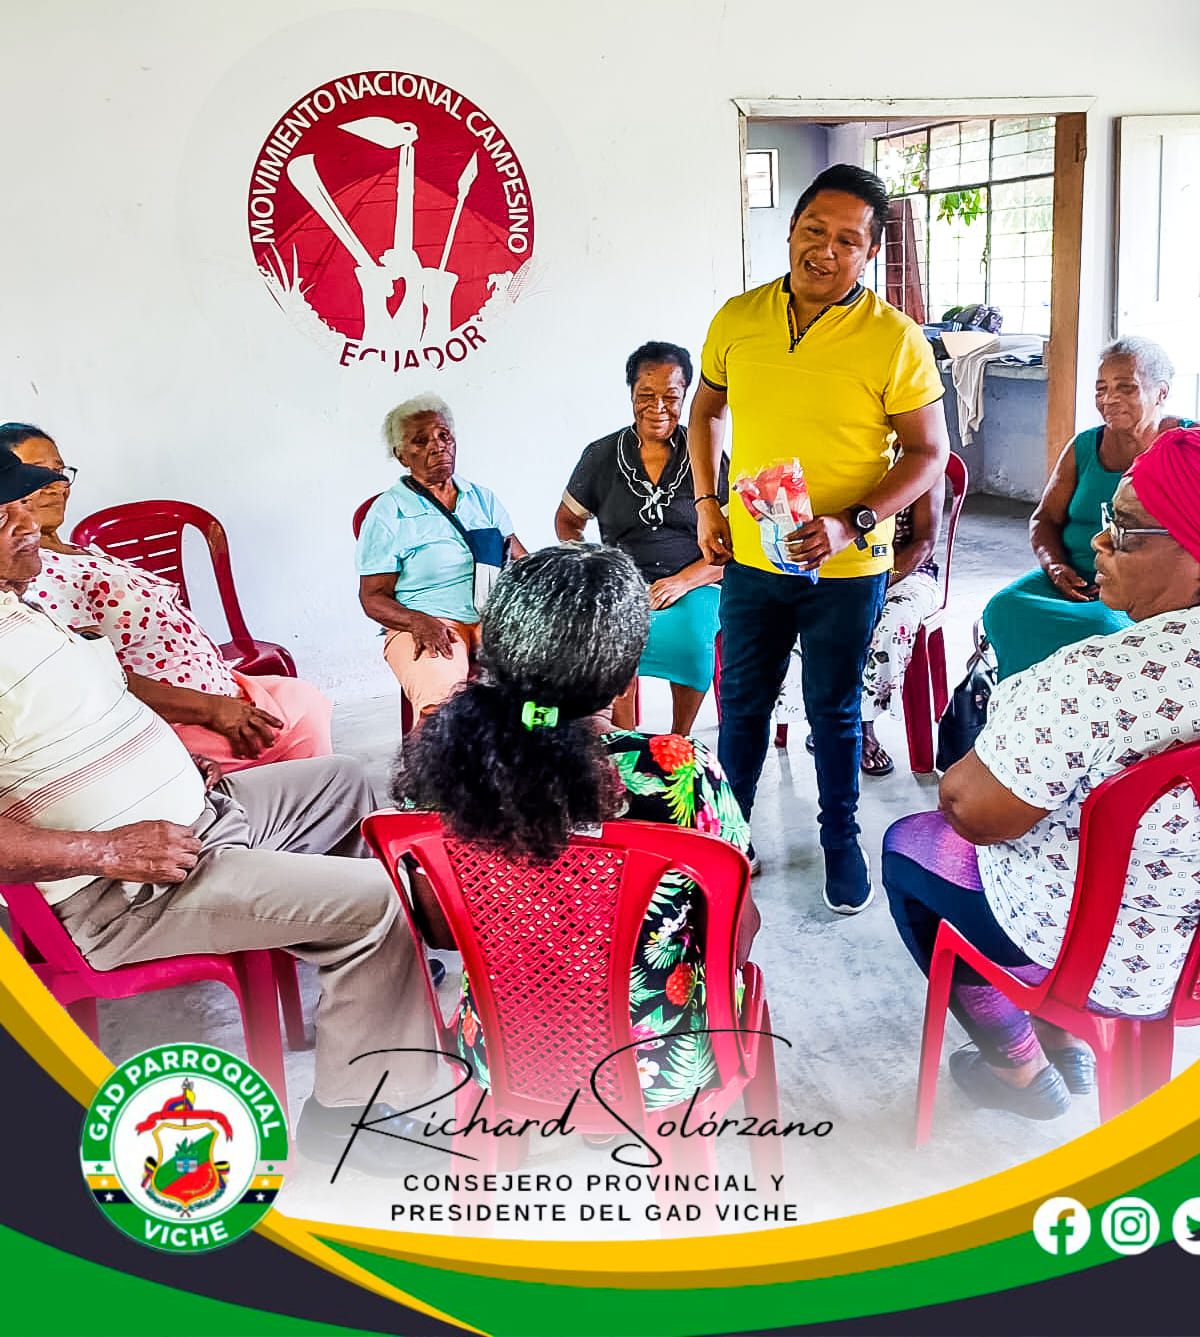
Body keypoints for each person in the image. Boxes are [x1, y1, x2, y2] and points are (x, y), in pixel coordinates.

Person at [0, 446, 438, 1176]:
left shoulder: (21, 606)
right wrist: (106, 850)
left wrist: (172, 766)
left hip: (200, 815)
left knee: (342, 783)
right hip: (129, 889)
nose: (25, 521)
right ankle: (352, 1116)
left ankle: (360, 991)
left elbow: (93, 708)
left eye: (20, 503)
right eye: (1, 515)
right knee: (377, 904)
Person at [882, 427, 1200, 1119]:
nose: (1101, 540)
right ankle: (1061, 1040)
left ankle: (1019, 1067)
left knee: (910, 845)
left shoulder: (1097, 679)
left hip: (1114, 959)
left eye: (1126, 529)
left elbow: (970, 810)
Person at [395, 543, 760, 1108]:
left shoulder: (443, 768)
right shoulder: (680, 771)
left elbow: (440, 934)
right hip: (658, 1067)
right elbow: (737, 935)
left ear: (493, 655)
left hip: (503, 1054)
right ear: (626, 679)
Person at [688, 163, 949, 912]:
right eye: (813, 230)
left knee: (833, 709)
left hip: (847, 565)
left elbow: (929, 453)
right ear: (791, 231)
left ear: (869, 253)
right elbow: (706, 410)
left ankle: (840, 839)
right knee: (742, 705)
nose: (824, 250)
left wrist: (851, 522)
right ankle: (730, 841)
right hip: (752, 556)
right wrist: (706, 500)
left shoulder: (895, 339)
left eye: (847, 240)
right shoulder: (737, 319)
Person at [4, 424, 332, 775]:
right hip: (173, 717)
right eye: (36, 476)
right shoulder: (34, 572)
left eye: (58, 471)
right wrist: (213, 709)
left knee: (301, 701)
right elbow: (99, 676)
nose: (55, 484)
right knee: (308, 728)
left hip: (214, 690)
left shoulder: (78, 552)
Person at [982, 337, 1185, 680]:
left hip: (1145, 588)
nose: (1109, 399)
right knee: (1003, 610)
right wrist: (1056, 567)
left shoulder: (1186, 446)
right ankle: (1023, 702)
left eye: (1126, 387)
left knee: (1102, 628)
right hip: (1075, 578)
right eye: (1101, 389)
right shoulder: (1085, 446)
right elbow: (1044, 518)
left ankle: (1084, 706)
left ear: (1161, 393)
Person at [555, 341, 727, 735]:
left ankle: (678, 739)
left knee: (691, 640)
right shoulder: (601, 455)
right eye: (646, 395)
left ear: (686, 396)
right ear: (631, 392)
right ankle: (626, 740)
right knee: (614, 641)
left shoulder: (706, 454)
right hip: (622, 583)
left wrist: (682, 582)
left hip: (696, 581)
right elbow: (567, 520)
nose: (658, 407)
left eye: (671, 396)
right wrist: (591, 566)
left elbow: (730, 544)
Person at [356, 394, 526, 719]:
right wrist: (417, 622)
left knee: (555, 681)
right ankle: (436, 754)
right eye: (421, 441)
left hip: (491, 616)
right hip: (430, 620)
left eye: (443, 436)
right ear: (401, 455)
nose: (438, 447)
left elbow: (521, 562)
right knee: (442, 708)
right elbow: (372, 598)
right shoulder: (388, 512)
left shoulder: (482, 498)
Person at [776, 483, 943, 776]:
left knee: (890, 622)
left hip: (903, 572)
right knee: (798, 613)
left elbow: (924, 543)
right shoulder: (834, 464)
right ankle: (825, 716)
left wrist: (878, 582)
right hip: (832, 570)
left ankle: (861, 724)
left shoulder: (920, 463)